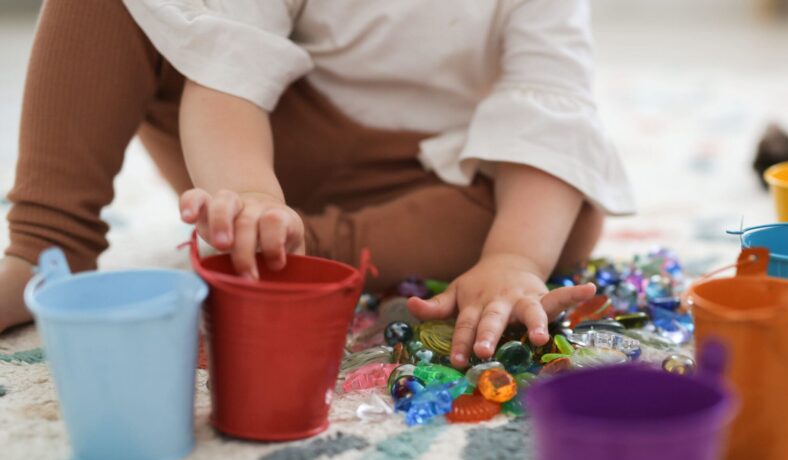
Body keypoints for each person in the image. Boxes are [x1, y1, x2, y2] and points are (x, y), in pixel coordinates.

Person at [0, 0, 634, 367]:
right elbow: (226, 68)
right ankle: (47, 246)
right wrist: (250, 195)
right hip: (254, 142)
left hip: (422, 176)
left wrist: (512, 259)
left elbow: (548, 110)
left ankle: (297, 254)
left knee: (564, 207)